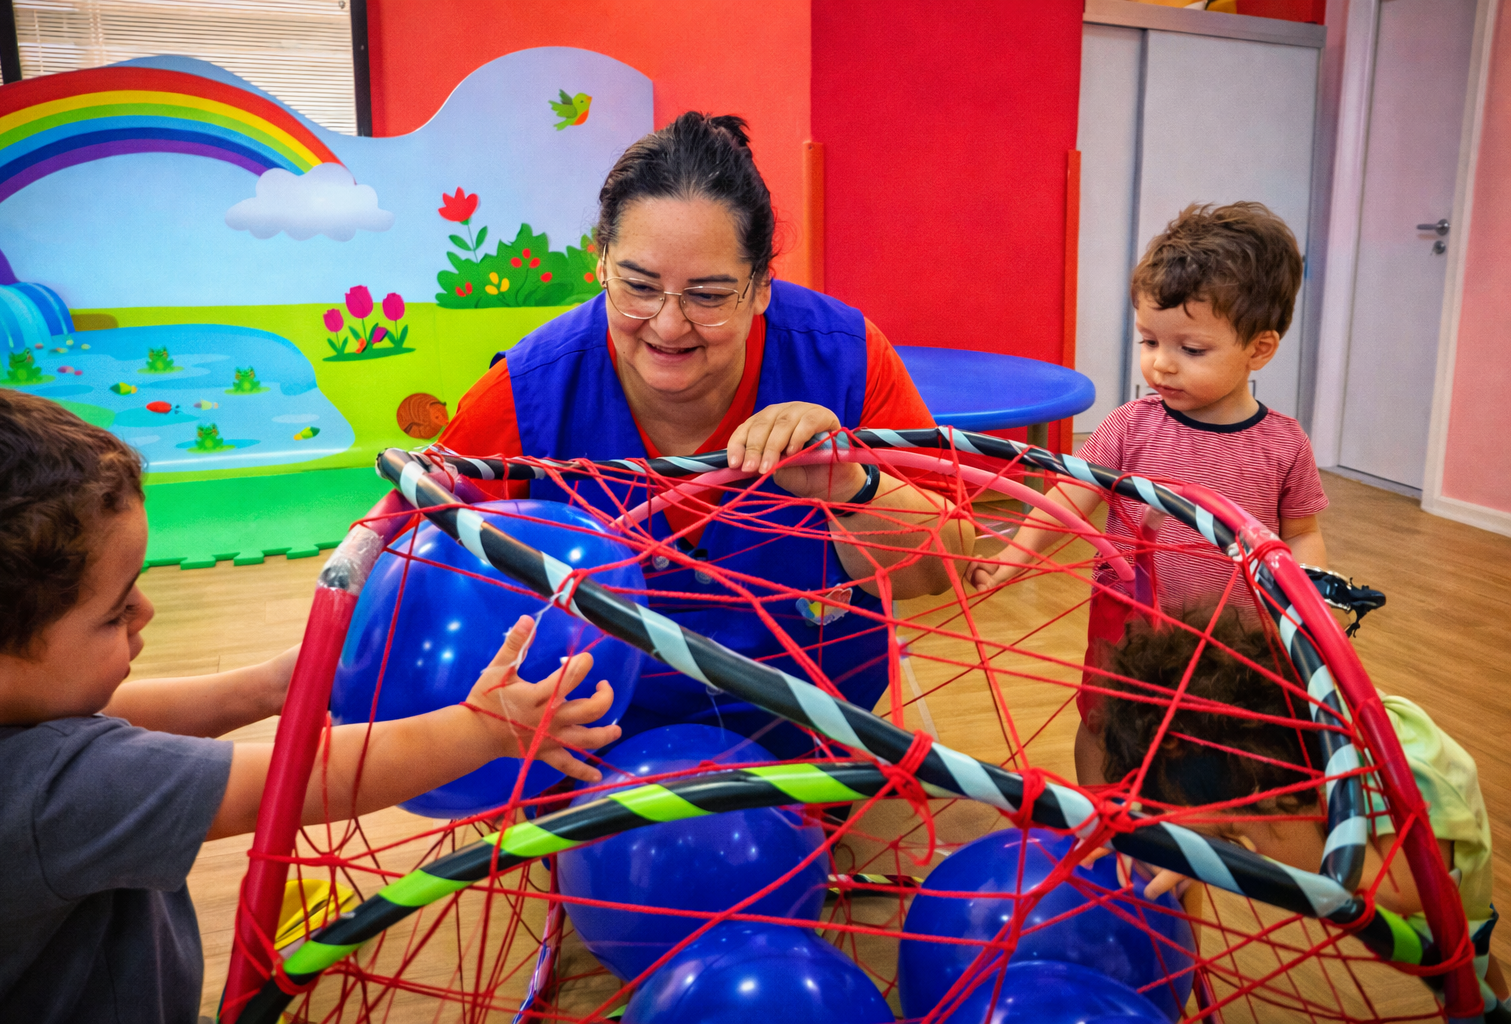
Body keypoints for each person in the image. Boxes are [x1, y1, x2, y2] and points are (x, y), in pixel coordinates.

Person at [0, 388, 621, 1022]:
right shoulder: (43, 797)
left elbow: (114, 714)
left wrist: (268, 685)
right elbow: (298, 781)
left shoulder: (7, 717)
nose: (145, 611)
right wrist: (482, 729)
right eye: (115, 613)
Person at [439, 112, 970, 756]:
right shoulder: (526, 394)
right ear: (600, 264)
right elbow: (428, 586)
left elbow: (946, 567)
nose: (668, 325)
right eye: (638, 286)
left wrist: (852, 489)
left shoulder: (845, 362)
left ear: (762, 286)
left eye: (709, 295)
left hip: (810, 752)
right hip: (581, 753)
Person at [966, 201, 1329, 783]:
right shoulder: (1130, 425)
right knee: (1105, 725)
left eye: (1191, 349)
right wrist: (1015, 554)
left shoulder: (1284, 443)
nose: (1161, 365)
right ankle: (1100, 818)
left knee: (1210, 746)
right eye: (1149, 341)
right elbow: (1068, 498)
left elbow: (1302, 533)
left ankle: (1179, 830)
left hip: (1234, 640)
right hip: (1130, 625)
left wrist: (1307, 600)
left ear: (1259, 349)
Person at [1095, 606, 1509, 1018]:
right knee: (1473, 956)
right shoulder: (1267, 741)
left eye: (1177, 804)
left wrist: (1237, 833)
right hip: (1372, 807)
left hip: (1431, 860)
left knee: (1466, 961)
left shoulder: (1386, 778)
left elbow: (1401, 893)